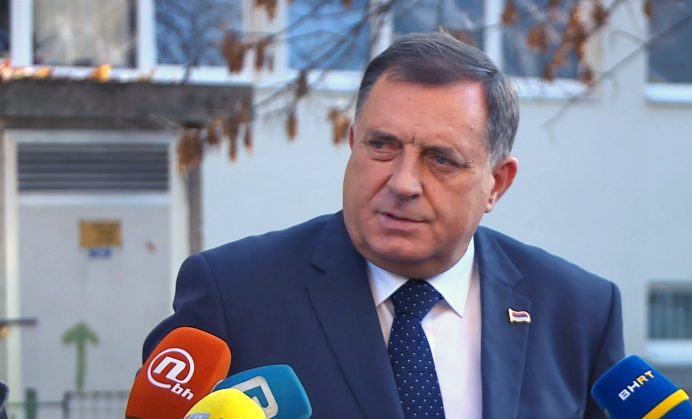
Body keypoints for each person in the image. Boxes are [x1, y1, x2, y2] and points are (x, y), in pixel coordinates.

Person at [142, 32, 623, 418]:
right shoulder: (234, 295)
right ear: (353, 142)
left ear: (496, 183)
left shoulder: (579, 311)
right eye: (382, 146)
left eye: (440, 159)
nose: (403, 182)